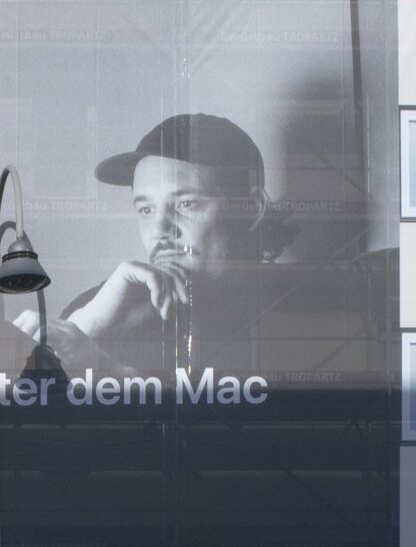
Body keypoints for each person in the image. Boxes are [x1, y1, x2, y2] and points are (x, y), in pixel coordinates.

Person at [54, 112, 293, 378]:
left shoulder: (297, 313)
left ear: (251, 209)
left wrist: (119, 374)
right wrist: (89, 326)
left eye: (185, 204)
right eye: (146, 210)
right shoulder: (104, 306)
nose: (159, 231)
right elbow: (32, 395)